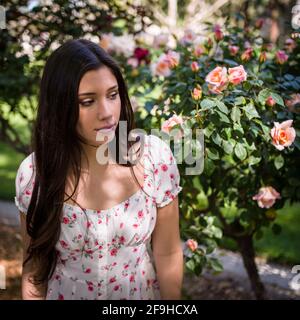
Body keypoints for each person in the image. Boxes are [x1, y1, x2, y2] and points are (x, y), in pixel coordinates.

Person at [15, 39, 183, 300]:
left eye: (112, 95)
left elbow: (168, 252)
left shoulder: (154, 159)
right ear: (60, 108)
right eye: (87, 101)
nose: (107, 113)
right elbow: (34, 268)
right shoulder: (34, 175)